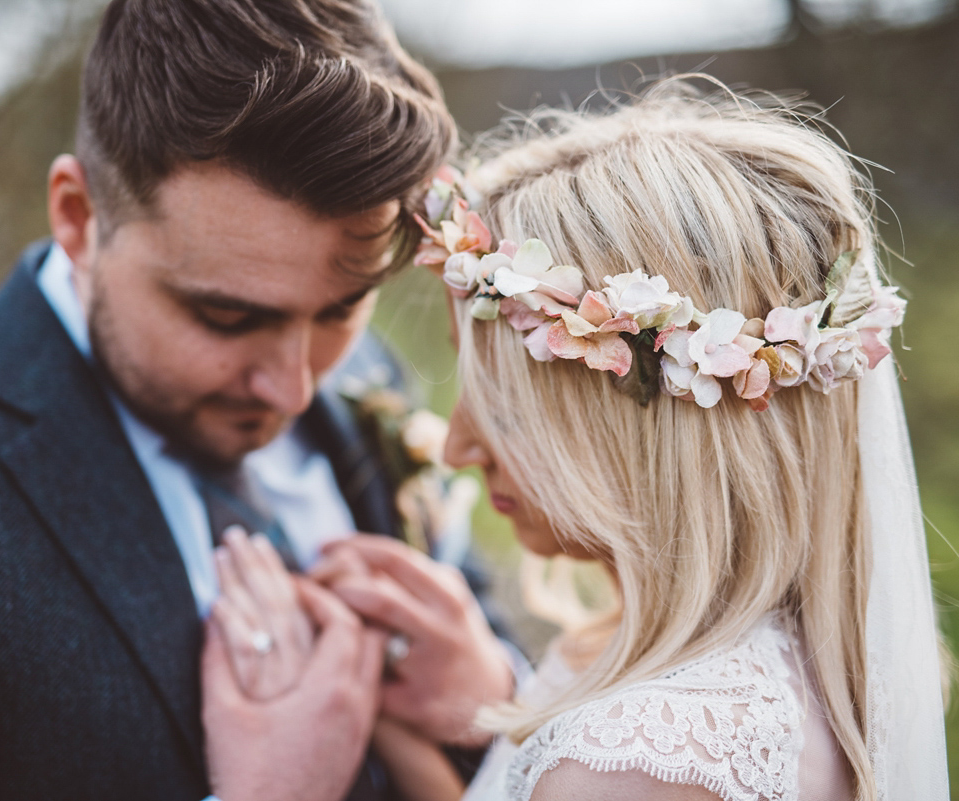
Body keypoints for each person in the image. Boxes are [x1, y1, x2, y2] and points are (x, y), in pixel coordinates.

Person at [0, 1, 466, 800]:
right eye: (226, 317)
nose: (294, 386)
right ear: (78, 215)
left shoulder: (368, 385)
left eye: (343, 308)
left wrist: (488, 705)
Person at [213, 77, 949, 800]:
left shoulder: (634, 761)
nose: (456, 448)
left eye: (505, 409)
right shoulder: (770, 671)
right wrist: (450, 720)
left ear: (641, 426)